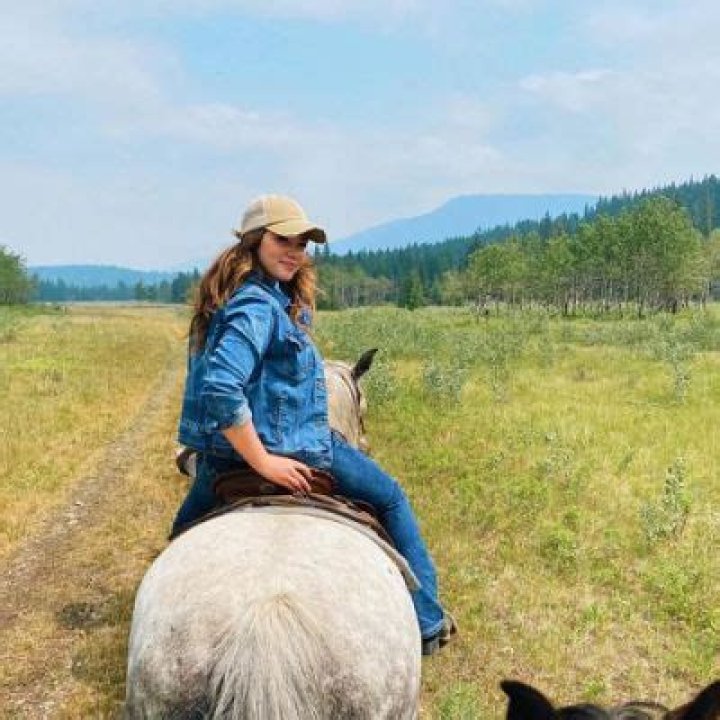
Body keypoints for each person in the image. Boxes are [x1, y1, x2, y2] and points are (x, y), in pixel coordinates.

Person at [174, 194, 455, 655]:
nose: (294, 252)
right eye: (282, 240)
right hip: (298, 449)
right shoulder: (257, 306)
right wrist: (265, 462)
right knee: (391, 498)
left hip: (221, 459)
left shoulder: (249, 299)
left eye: (301, 243)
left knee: (180, 537)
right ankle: (427, 620)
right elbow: (222, 387)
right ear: (254, 241)